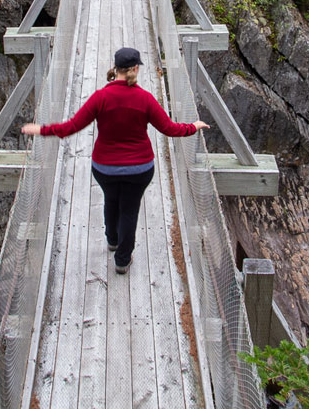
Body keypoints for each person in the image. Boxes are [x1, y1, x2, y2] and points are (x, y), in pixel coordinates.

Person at [22, 46, 208, 274]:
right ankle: (122, 260)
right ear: (136, 69)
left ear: (116, 68)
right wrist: (193, 127)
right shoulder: (145, 99)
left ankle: (112, 239)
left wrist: (42, 129)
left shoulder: (101, 97)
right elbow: (169, 129)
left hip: (105, 168)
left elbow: (71, 127)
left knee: (111, 199)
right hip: (139, 169)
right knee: (129, 209)